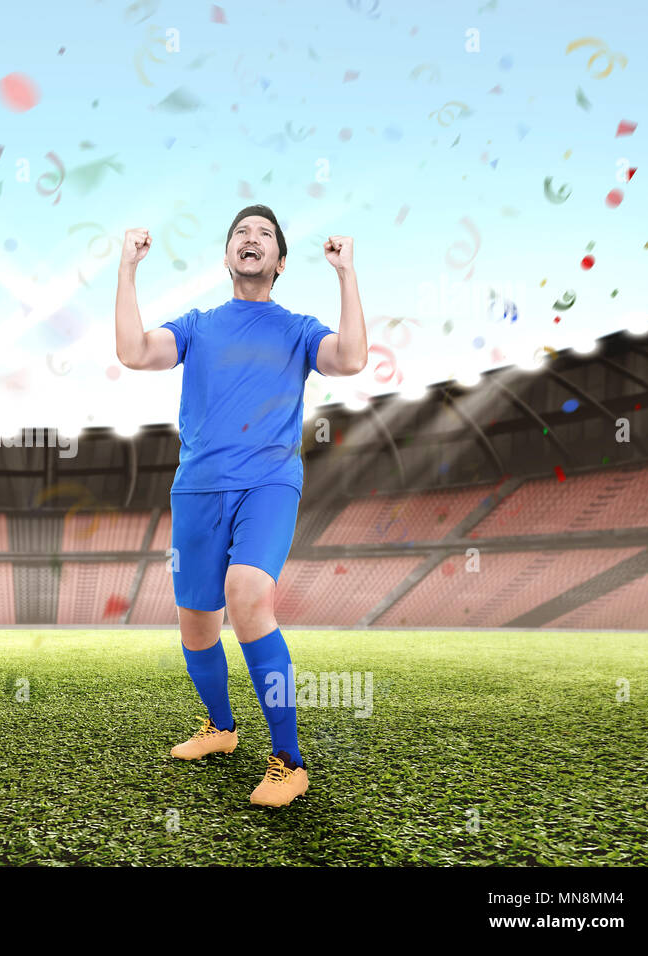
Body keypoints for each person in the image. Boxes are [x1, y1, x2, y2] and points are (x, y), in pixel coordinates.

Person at [114, 204, 367, 807]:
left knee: (248, 594)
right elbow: (132, 352)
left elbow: (352, 358)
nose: (251, 240)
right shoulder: (198, 325)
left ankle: (288, 760)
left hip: (269, 483)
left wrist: (346, 275)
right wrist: (127, 269)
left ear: (279, 262)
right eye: (241, 235)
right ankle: (222, 730)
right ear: (227, 256)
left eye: (265, 237)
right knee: (197, 625)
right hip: (197, 489)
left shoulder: (300, 330)